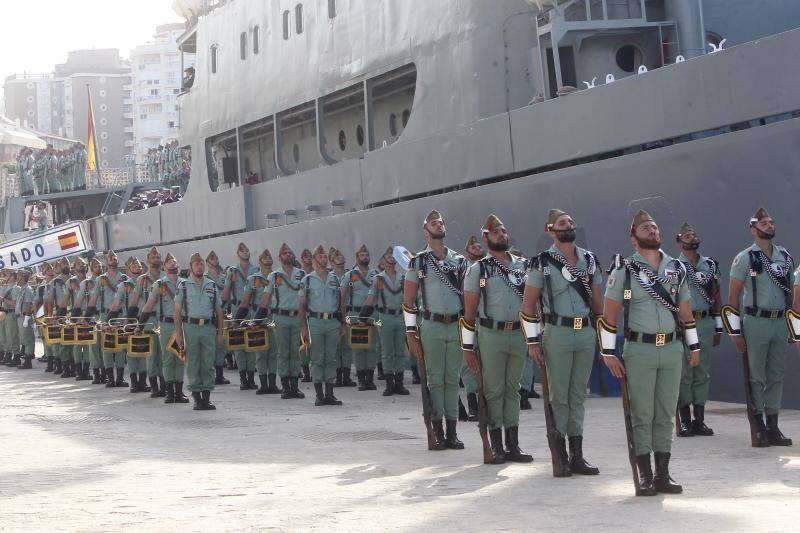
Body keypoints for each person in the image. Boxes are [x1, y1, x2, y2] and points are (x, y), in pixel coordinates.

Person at [599, 210, 698, 496]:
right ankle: (644, 476)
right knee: (642, 413)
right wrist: (608, 353)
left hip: (670, 348)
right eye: (645, 228)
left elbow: (685, 310)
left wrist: (693, 345)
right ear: (634, 238)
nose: (652, 231)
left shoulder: (676, 269)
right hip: (639, 350)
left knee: (666, 413)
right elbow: (611, 314)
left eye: (654, 227)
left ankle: (663, 474)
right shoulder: (625, 272)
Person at [522, 209, 603, 476]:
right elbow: (529, 304)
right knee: (559, 395)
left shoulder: (589, 261)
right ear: (550, 230)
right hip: (557, 332)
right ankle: (560, 457)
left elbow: (599, 305)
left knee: (578, 395)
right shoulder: (541, 262)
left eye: (570, 221)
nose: (568, 225)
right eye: (562, 223)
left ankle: (577, 455)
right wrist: (533, 342)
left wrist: (605, 340)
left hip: (585, 332)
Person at [462, 214, 533, 464]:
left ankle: (513, 445)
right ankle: (497, 446)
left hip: (518, 333)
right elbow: (469, 313)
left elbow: (532, 304)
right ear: (486, 237)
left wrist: (534, 338)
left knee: (513, 390)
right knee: (494, 390)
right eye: (496, 232)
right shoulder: (479, 269)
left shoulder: (523, 267)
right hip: (491, 335)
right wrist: (468, 348)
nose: (501, 235)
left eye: (503, 231)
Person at [725, 207, 793, 447]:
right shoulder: (744, 258)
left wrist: (793, 329)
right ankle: (758, 427)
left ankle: (773, 426)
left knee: (776, 375)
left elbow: (791, 298)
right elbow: (732, 298)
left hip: (779, 322)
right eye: (764, 223)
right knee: (756, 376)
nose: (770, 225)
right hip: (755, 322)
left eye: (772, 222)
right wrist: (734, 332)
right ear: (753, 229)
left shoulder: (784, 256)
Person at [403, 210, 469, 451]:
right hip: (430, 325)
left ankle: (452, 431)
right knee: (435, 380)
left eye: (441, 223)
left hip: (455, 325)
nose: (439, 226)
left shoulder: (460, 261)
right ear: (426, 231)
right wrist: (411, 334)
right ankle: (437, 430)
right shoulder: (418, 262)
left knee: (453, 380)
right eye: (434, 223)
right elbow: (409, 301)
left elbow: (467, 298)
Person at [675, 223, 722, 437]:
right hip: (683, 324)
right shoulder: (674, 266)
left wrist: (719, 327)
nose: (692, 238)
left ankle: (699, 420)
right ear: (679, 242)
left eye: (694, 234)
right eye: (687, 235)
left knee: (702, 372)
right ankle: (685, 420)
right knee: (684, 373)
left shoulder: (709, 265)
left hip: (704, 322)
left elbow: (716, 295)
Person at [174, 253, 225, 410]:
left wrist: (220, 333)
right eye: (196, 264)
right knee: (193, 363)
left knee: (208, 363)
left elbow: (219, 312)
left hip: (208, 328)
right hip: (191, 328)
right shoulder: (183, 286)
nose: (199, 267)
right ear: (190, 267)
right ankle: (197, 398)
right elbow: (176, 313)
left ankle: (207, 397)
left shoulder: (211, 285)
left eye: (201, 264)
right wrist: (179, 335)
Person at [256, 243, 305, 399]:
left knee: (295, 353)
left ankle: (295, 387)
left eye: (290, 252)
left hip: (297, 317)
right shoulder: (274, 276)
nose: (288, 255)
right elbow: (265, 299)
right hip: (280, 317)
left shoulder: (302, 274)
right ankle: (285, 387)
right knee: (283, 353)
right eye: (285, 253)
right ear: (280, 257)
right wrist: (256, 320)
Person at [138, 253, 189, 404]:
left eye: (174, 261)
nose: (172, 263)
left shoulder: (185, 283)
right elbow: (148, 305)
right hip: (166, 325)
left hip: (182, 325)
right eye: (168, 262)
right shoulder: (159, 284)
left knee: (180, 358)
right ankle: (169, 393)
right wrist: (140, 325)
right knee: (167, 359)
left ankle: (179, 393)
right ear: (164, 267)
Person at [300, 245, 345, 406]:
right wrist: (304, 327)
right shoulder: (308, 280)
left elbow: (340, 303)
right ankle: (319, 394)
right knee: (317, 358)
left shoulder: (334, 279)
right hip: (315, 322)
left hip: (333, 321)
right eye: (320, 256)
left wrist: (343, 323)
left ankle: (330, 393)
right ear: (313, 260)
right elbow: (302, 305)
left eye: (325, 256)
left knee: (331, 357)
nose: (323, 259)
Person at [361, 246, 409, 396]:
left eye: (393, 256)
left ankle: (399, 384)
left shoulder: (403, 278)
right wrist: (363, 317)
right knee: (387, 351)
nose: (391, 258)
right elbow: (371, 299)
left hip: (400, 317)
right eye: (388, 256)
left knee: (400, 351)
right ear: (383, 260)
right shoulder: (378, 279)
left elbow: (411, 298)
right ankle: (389, 384)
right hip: (385, 317)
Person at [238, 248, 282, 394]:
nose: (268, 259)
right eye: (265, 257)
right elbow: (245, 302)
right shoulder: (253, 279)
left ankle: (273, 383)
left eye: (270, 257)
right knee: (261, 352)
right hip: (258, 317)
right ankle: (263, 384)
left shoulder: (278, 277)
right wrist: (238, 319)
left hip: (274, 317)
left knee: (274, 351)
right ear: (260, 261)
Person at [86, 250, 129, 388]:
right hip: (105, 315)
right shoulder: (100, 279)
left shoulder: (124, 278)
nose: (113, 259)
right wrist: (87, 316)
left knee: (121, 346)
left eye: (115, 258)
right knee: (107, 346)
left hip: (121, 315)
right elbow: (93, 298)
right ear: (106, 262)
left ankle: (120, 378)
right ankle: (110, 378)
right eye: (110, 258)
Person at [129, 247, 167, 398]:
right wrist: (133, 322)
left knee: (165, 355)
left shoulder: (166, 278)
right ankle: (154, 387)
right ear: (148, 260)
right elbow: (134, 301)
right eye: (153, 257)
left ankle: (165, 385)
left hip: (164, 320)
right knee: (151, 355)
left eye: (158, 256)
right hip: (148, 320)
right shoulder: (142, 279)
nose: (156, 258)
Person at [342, 245, 380, 391]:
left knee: (371, 348)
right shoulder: (349, 275)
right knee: (358, 349)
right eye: (362, 255)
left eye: (367, 254)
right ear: (357, 258)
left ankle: (370, 379)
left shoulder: (376, 274)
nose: (365, 257)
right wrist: (342, 317)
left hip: (372, 315)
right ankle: (362, 380)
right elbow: (343, 296)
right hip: (355, 315)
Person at [221, 243, 259, 386]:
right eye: (242, 251)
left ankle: (251, 377)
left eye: (247, 250)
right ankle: (243, 378)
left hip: (252, 309)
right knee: (239, 343)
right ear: (238, 254)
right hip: (238, 308)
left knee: (252, 342)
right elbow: (226, 291)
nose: (246, 252)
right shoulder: (232, 271)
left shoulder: (256, 269)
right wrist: (222, 309)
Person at [204, 251, 231, 384]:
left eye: (216, 258)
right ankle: (209, 374)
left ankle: (220, 375)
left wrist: (222, 309)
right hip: (208, 315)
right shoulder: (203, 277)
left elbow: (227, 294)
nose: (215, 260)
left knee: (221, 344)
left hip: (222, 312)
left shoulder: (223, 277)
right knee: (209, 345)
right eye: (212, 258)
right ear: (207, 261)